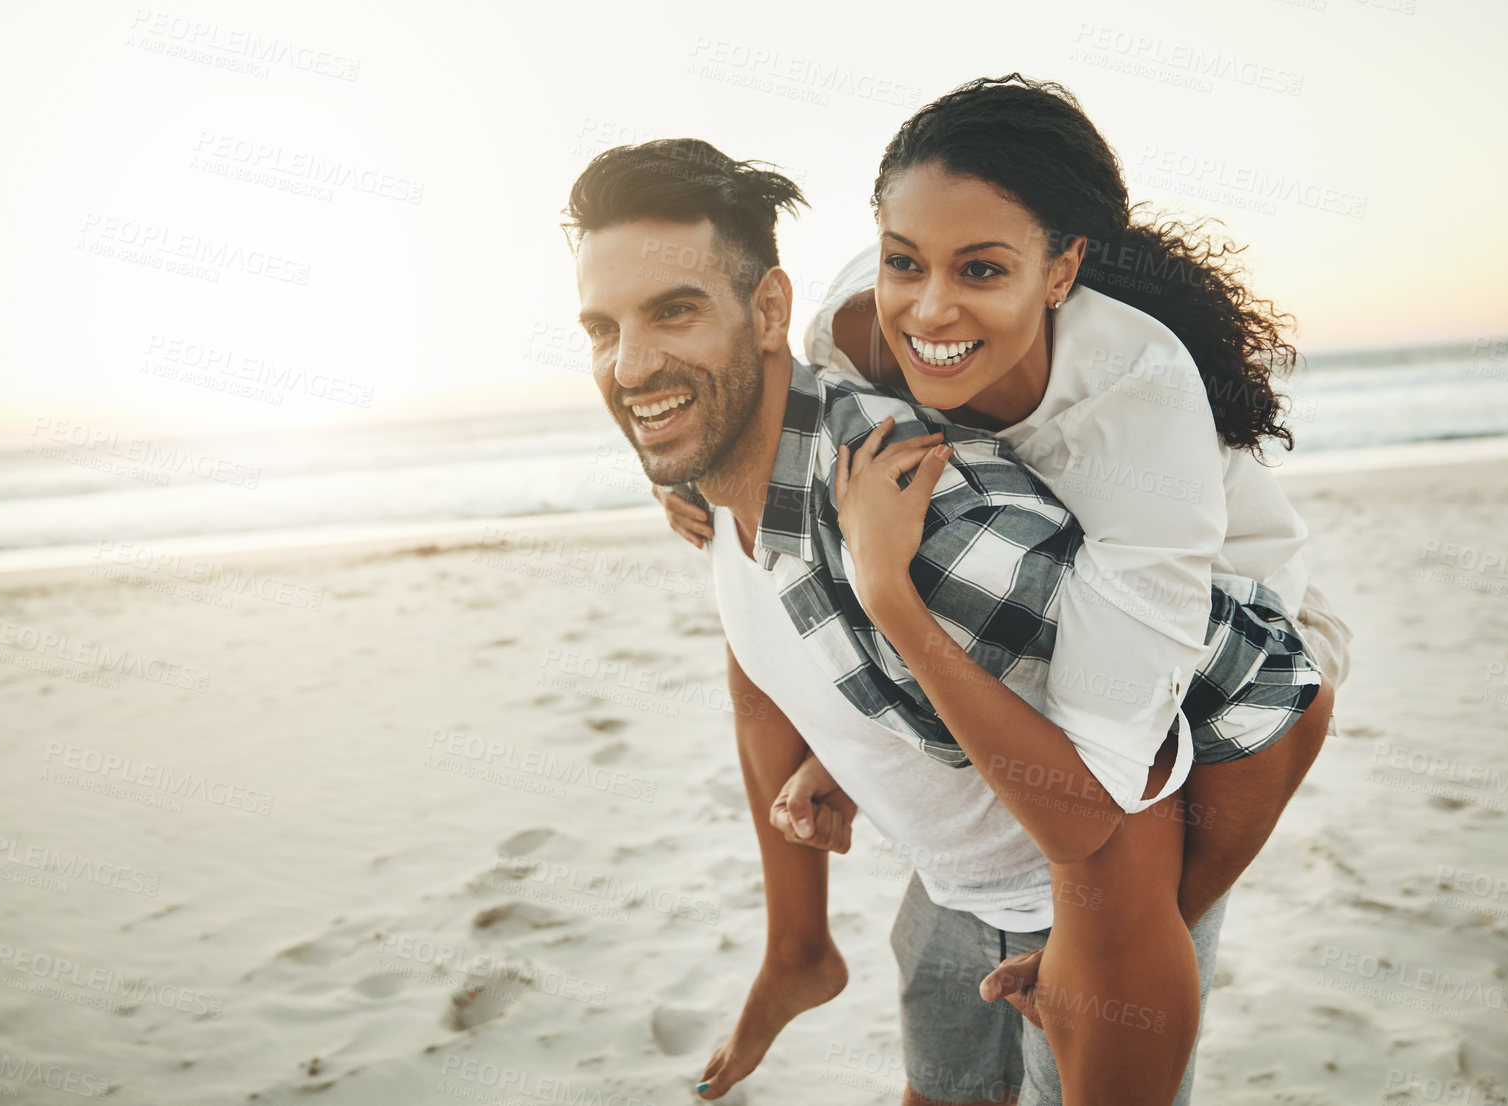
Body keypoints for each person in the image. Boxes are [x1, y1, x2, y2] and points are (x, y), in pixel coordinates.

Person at [566, 134, 1333, 1104]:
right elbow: (757, 656)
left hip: (1086, 908)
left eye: (675, 311)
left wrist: (1115, 946)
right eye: (603, 327)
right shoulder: (728, 457)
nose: (632, 364)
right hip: (952, 883)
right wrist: (795, 930)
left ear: (767, 312)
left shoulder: (953, 538)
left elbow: (1185, 751)